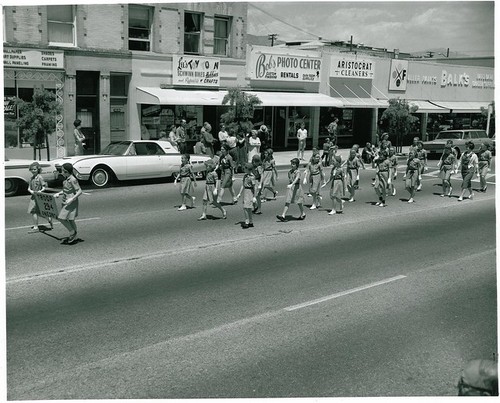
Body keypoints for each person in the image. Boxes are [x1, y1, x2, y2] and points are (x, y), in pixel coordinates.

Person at [54, 163, 83, 244]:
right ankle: (75, 236)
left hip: (71, 202)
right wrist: (59, 193)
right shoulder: (66, 180)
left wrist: (72, 199)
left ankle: (72, 232)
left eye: (62, 170)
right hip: (65, 201)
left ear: (66, 171)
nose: (61, 172)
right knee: (70, 219)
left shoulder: (73, 179)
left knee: (61, 218)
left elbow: (79, 191)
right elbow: (66, 190)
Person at [27, 162, 53, 233]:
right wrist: (31, 191)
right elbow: (28, 188)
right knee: (37, 212)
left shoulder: (40, 177)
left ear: (38, 169)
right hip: (33, 196)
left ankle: (36, 227)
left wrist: (40, 191)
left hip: (38, 196)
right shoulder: (31, 178)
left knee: (34, 211)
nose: (33, 171)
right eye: (32, 169)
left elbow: (44, 187)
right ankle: (48, 218)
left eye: (34, 169)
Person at [236, 162, 259, 229]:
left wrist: (254, 196)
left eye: (245, 168)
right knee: (248, 208)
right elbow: (243, 185)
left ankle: (247, 222)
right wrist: (239, 193)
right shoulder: (245, 176)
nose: (244, 169)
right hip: (246, 192)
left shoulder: (252, 177)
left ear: (249, 169)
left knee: (246, 208)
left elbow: (255, 187)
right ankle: (250, 222)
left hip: (250, 192)